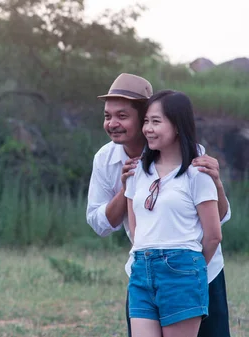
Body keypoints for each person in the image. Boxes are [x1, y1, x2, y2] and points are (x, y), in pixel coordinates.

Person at [86, 73, 231, 337]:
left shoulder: (192, 157)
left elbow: (216, 222)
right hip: (144, 269)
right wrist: (126, 186)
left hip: (198, 270)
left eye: (122, 116)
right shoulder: (107, 160)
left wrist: (218, 185)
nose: (112, 124)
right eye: (108, 116)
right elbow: (99, 223)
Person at [125, 89, 222, 336]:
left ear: (177, 126)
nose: (147, 128)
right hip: (141, 268)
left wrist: (188, 268)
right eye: (146, 121)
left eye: (156, 121)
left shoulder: (197, 172)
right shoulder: (139, 171)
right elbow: (135, 225)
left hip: (181, 270)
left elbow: (213, 236)